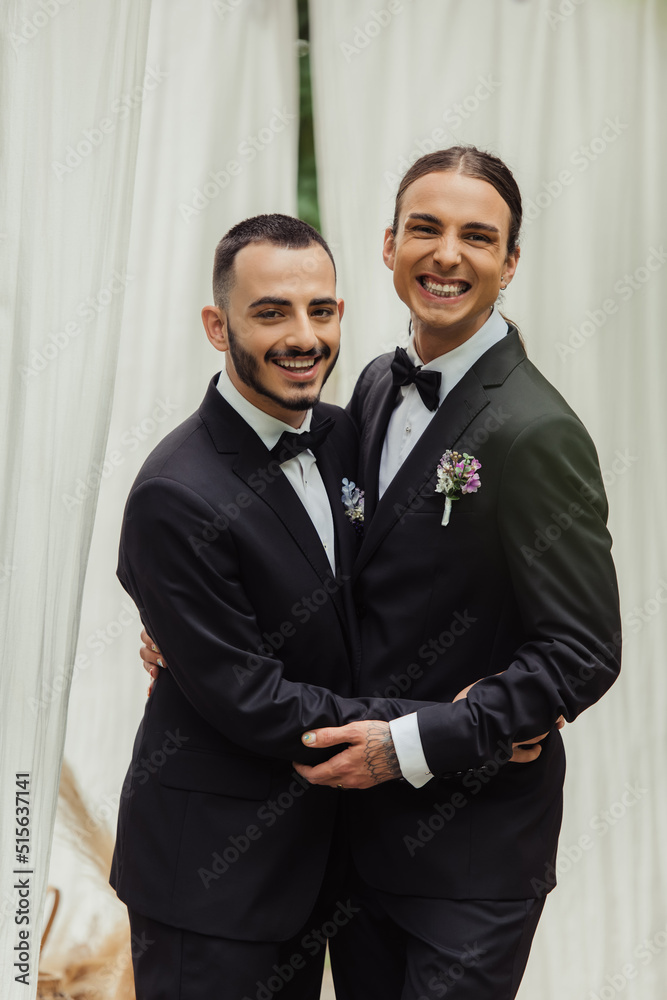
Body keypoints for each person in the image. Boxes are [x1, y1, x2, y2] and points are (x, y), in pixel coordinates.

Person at [139, 147, 619, 1000]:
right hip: (349, 855)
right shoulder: (364, 390)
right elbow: (330, 563)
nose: (446, 254)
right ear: (389, 245)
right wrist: (205, 636)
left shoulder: (535, 431)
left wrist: (431, 738)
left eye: (478, 236)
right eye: (425, 228)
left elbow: (579, 654)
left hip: (469, 859)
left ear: (510, 264)